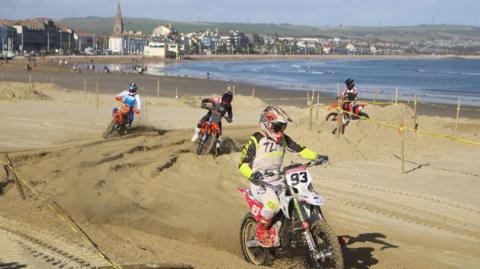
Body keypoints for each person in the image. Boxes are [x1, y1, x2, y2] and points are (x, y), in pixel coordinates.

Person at [238, 106, 328, 247]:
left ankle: (324, 233)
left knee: (300, 196)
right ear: (267, 124)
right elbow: (242, 163)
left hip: (277, 179)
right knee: (273, 204)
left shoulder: (283, 139)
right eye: (278, 127)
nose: (281, 131)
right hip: (259, 182)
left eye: (283, 127)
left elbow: (300, 149)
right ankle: (262, 230)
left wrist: (316, 156)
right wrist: (252, 173)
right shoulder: (256, 139)